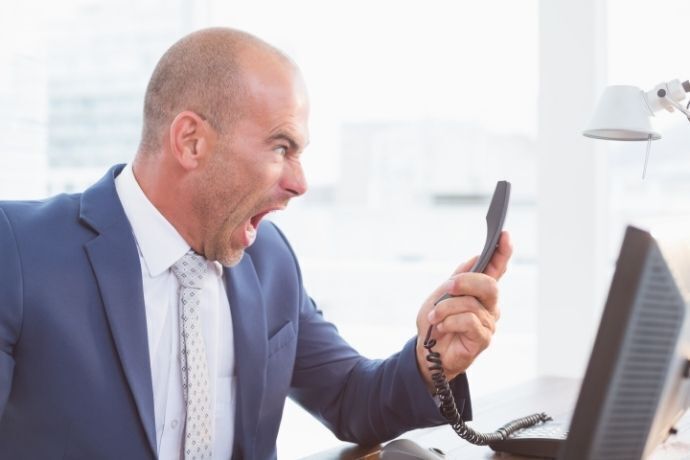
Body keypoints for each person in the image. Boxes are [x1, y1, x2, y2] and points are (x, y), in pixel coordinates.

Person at [0, 27, 511, 459]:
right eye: (281, 146)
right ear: (191, 141)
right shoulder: (18, 249)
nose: (300, 183)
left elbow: (352, 399)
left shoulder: (269, 261)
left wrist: (434, 359)